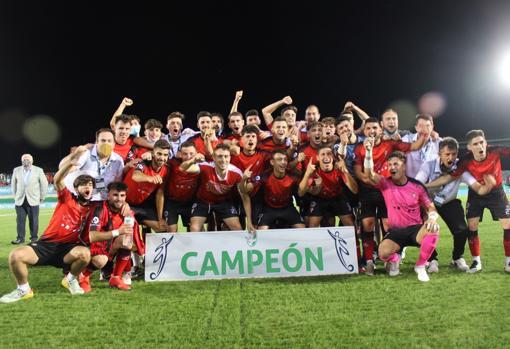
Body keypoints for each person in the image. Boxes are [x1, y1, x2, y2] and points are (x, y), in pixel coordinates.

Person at [0, 147, 96, 303]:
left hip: (68, 249)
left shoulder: (93, 208)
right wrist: (69, 163)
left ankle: (70, 280)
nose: (87, 187)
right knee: (15, 256)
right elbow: (57, 179)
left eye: (90, 185)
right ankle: (24, 289)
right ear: (76, 188)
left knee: (85, 254)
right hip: (46, 245)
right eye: (83, 184)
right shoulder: (67, 198)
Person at [426, 129, 510, 273]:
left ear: (486, 143)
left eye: (482, 142)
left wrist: (490, 184)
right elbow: (448, 177)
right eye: (475, 144)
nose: (480, 146)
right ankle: (476, 261)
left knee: (508, 224)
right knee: (471, 226)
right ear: (470, 147)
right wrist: (425, 185)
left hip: (496, 192)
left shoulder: (496, 151)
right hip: (476, 194)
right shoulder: (465, 161)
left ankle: (508, 261)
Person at [353, 117, 428, 275]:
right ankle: (369, 261)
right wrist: (367, 178)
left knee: (389, 225)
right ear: (364, 131)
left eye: (375, 128)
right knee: (367, 224)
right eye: (368, 129)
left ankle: (392, 258)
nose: (372, 131)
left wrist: (424, 134)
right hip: (367, 190)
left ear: (380, 129)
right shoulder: (360, 147)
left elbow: (414, 146)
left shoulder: (390, 144)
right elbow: (358, 170)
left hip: (387, 190)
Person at [415, 137, 495, 272]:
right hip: (428, 204)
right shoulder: (428, 165)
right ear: (439, 154)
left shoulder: (461, 167)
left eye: (453, 154)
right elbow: (416, 186)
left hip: (448, 202)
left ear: (457, 154)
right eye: (447, 154)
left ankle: (457, 257)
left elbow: (476, 187)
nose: (450, 157)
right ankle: (432, 259)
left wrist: (487, 186)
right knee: (428, 229)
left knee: (462, 230)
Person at [364, 150, 440, 282]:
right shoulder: (385, 184)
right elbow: (369, 173)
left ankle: (420, 265)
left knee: (434, 228)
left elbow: (430, 207)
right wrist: (369, 152)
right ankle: (395, 258)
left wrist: (432, 218)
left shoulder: (417, 186)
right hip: (396, 232)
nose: (392, 167)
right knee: (383, 253)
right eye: (390, 165)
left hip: (415, 229)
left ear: (404, 166)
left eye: (396, 164)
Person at [82, 182, 142, 292]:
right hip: (90, 247)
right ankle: (83, 276)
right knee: (101, 260)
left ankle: (116, 277)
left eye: (122, 196)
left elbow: (131, 239)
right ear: (108, 195)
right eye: (115, 195)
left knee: (127, 239)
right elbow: (92, 237)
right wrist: (117, 232)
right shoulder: (100, 209)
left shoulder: (126, 211)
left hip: (108, 247)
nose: (119, 199)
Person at [182, 143, 254, 233]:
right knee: (194, 228)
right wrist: (193, 160)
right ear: (214, 158)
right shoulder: (206, 166)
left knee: (237, 229)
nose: (223, 160)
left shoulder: (237, 173)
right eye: (220, 156)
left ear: (230, 158)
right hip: (203, 201)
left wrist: (249, 222)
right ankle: (202, 245)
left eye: (226, 156)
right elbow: (183, 168)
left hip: (223, 202)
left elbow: (245, 197)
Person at [244, 150, 305, 230]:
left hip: (287, 207)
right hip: (269, 209)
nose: (283, 162)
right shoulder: (264, 176)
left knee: (302, 229)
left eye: (285, 159)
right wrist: (244, 180)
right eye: (279, 159)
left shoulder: (293, 176)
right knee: (261, 231)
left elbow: (301, 193)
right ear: (272, 162)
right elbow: (245, 190)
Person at [298, 146, 358, 227]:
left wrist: (345, 171)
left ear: (333, 157)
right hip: (320, 199)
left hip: (338, 197)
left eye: (329, 154)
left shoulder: (339, 169)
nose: (326, 157)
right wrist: (307, 174)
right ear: (318, 158)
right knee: (312, 224)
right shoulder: (314, 170)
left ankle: (354, 239)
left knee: (350, 223)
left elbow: (355, 190)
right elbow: (300, 193)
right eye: (323, 154)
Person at [63, 128, 124, 202]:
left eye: (109, 141)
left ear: (114, 144)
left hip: (104, 204)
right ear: (97, 142)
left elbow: (117, 186)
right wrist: (74, 155)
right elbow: (64, 169)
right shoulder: (86, 153)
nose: (106, 144)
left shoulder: (118, 160)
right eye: (103, 140)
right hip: (82, 202)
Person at [11, 154, 48, 244]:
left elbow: (44, 184)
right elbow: (13, 184)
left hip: (34, 199)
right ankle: (20, 238)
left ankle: (34, 238)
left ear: (32, 161)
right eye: (24, 159)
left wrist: (42, 196)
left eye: (27, 159)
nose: (25, 161)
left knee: (34, 220)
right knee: (20, 221)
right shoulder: (16, 170)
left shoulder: (38, 170)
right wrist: (15, 196)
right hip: (20, 200)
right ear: (21, 161)